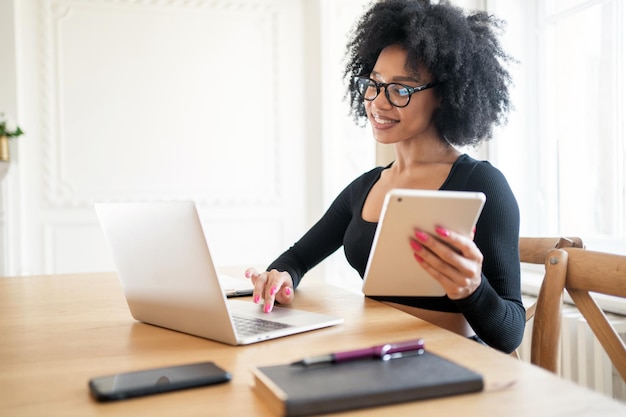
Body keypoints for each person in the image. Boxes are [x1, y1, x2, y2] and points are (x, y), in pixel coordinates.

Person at [245, 0, 525, 354]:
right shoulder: (366, 186)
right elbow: (297, 259)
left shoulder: (482, 184)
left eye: (401, 89)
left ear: (445, 94)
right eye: (374, 84)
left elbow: (511, 333)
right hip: (376, 354)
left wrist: (473, 289)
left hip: (451, 365)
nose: (378, 103)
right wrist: (280, 278)